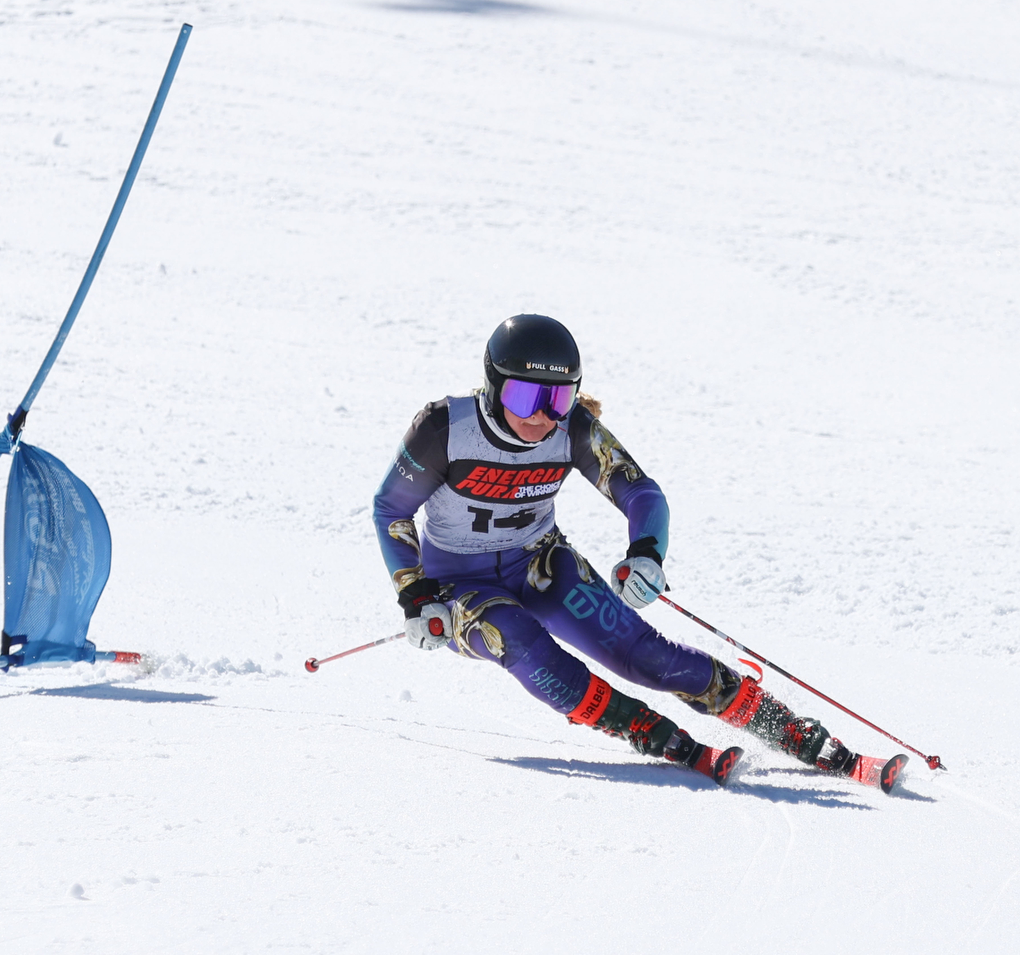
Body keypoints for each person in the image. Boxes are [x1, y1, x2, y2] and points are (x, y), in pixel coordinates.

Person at [372, 314, 900, 789]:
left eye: (557, 399)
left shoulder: (573, 428)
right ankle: (648, 731)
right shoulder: (445, 429)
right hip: (456, 589)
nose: (540, 417)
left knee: (647, 657)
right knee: (519, 638)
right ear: (492, 388)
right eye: (523, 398)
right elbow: (389, 510)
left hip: (538, 565)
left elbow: (640, 493)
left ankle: (791, 730)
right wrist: (415, 596)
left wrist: (647, 551)